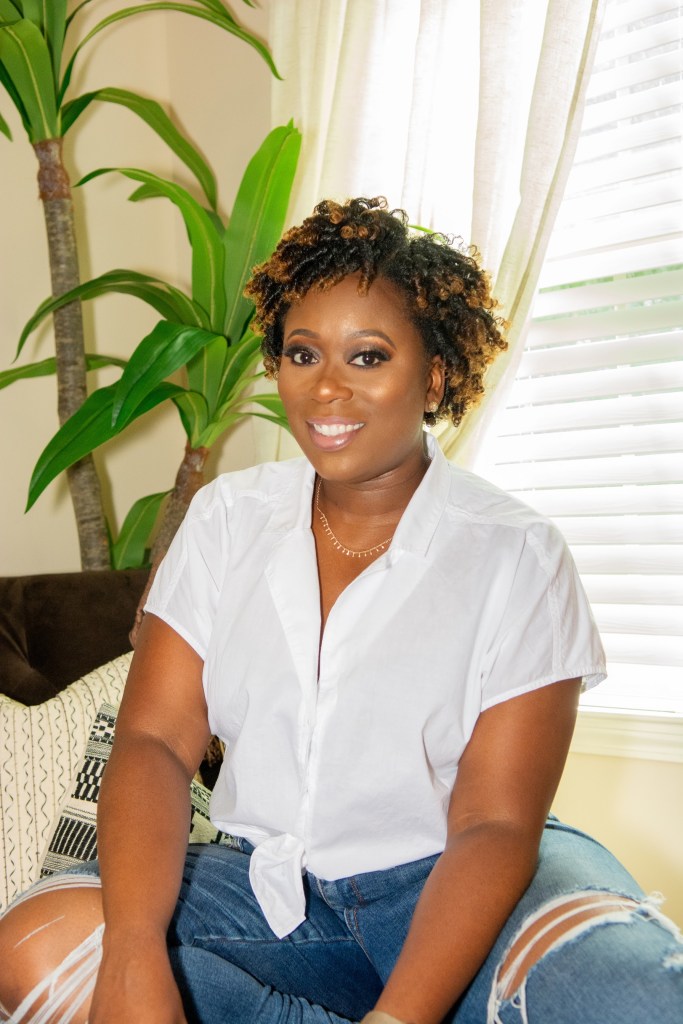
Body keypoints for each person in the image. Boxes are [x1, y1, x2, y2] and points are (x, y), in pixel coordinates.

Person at [0, 197, 681, 1024]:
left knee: (632, 993)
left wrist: (399, 1017)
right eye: (302, 353)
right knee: (42, 949)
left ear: (434, 376)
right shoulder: (228, 520)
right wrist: (135, 950)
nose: (326, 387)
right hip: (271, 897)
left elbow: (495, 824)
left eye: (367, 356)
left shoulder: (517, 554)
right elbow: (154, 740)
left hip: (460, 887)